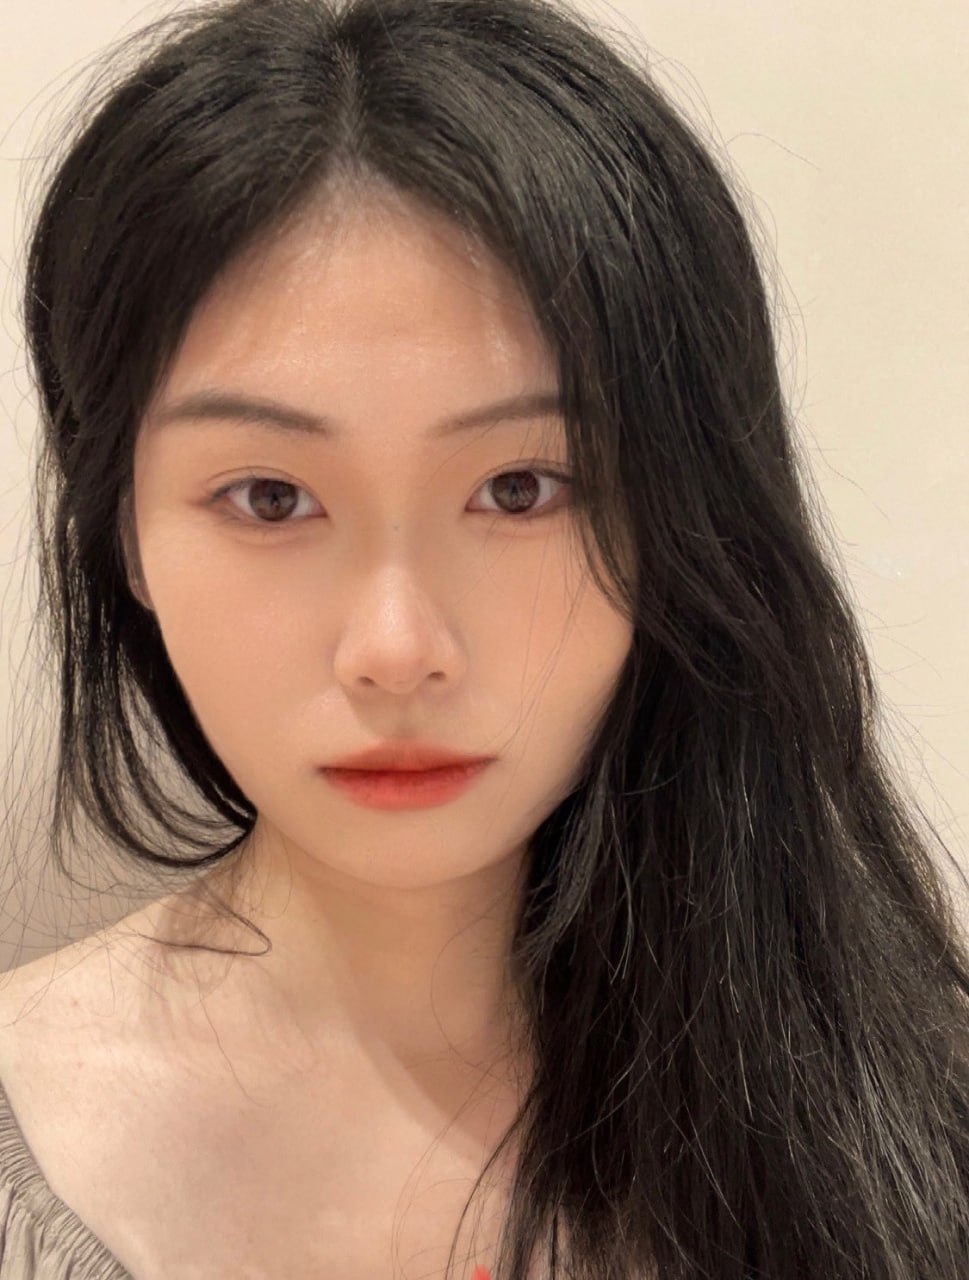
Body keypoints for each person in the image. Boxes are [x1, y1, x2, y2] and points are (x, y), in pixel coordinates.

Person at [1, 0, 968, 1276]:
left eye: (521, 488)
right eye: (270, 496)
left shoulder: (898, 1114)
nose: (398, 648)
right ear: (124, 534)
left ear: (681, 517)